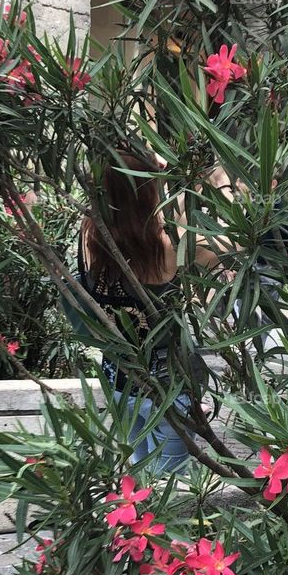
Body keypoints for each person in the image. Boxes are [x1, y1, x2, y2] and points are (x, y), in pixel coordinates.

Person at [79, 152, 223, 473]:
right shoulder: (167, 249)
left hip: (118, 383)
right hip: (166, 391)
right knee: (170, 492)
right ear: (148, 193)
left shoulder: (89, 239)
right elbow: (231, 250)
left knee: (139, 480)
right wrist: (203, 184)